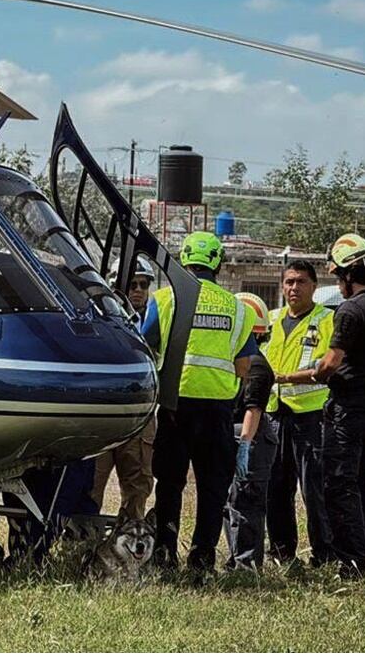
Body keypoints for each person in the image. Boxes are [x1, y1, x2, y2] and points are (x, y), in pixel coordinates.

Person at [276, 234, 365, 577]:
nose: (339, 283)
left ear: (349, 274)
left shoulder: (351, 310)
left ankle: (352, 563)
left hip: (347, 406)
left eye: (339, 275)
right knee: (361, 482)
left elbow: (329, 364)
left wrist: (295, 376)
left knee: (339, 483)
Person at [143, 231, 257, 573]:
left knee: (169, 484)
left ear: (183, 262)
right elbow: (244, 366)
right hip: (217, 410)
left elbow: (145, 346)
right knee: (212, 487)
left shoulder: (164, 299)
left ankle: (164, 555)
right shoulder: (237, 308)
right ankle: (202, 559)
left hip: (174, 407)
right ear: (218, 265)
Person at [263, 260, 335, 566]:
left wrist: (287, 377)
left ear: (314, 286)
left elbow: (327, 367)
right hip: (274, 413)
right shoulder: (271, 319)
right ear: (282, 286)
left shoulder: (327, 320)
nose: (294, 287)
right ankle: (281, 552)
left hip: (311, 415)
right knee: (275, 487)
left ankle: (325, 554)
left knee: (314, 489)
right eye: (289, 282)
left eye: (301, 281)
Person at [91, 255, 158, 520]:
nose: (139, 290)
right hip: (101, 414)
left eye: (144, 284)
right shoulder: (95, 318)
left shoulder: (155, 321)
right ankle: (83, 537)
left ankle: (131, 533)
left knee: (138, 483)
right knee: (89, 485)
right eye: (132, 285)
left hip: (139, 414)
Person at [223, 292, 276, 570]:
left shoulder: (256, 365)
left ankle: (247, 565)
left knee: (246, 501)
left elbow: (252, 409)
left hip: (251, 436)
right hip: (242, 434)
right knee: (232, 501)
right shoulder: (243, 359)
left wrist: (244, 446)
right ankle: (236, 559)